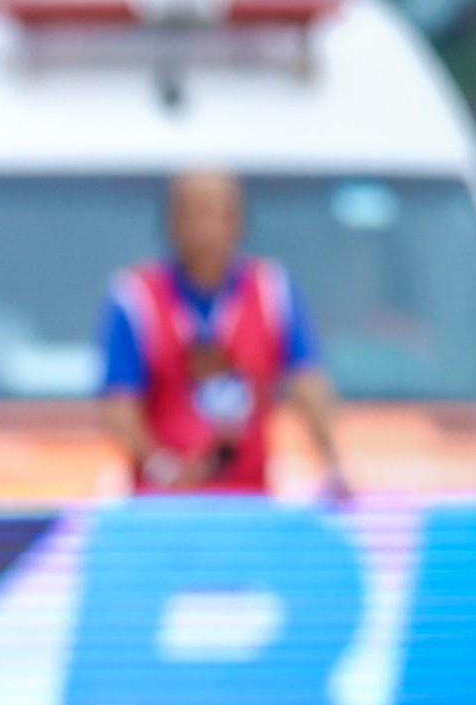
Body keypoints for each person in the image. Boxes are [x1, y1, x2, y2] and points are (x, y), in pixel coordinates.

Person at [97, 169, 350, 495]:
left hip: (249, 495)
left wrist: (331, 460)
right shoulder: (135, 297)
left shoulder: (273, 290)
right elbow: (119, 404)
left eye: (216, 212)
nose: (205, 227)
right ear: (171, 222)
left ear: (237, 221)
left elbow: (306, 382)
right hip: (162, 503)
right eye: (193, 212)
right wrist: (163, 467)